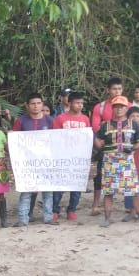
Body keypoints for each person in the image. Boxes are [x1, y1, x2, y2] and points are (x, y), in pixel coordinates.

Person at [95, 97, 139, 227]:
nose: (119, 109)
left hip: (127, 161)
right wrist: (96, 141)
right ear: (113, 108)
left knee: (134, 191)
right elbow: (98, 141)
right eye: (116, 106)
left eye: (122, 106)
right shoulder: (105, 125)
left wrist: (133, 148)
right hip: (110, 161)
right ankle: (107, 218)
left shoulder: (134, 125)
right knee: (108, 191)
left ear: (126, 108)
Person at [13, 92, 56, 226]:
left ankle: (48, 218)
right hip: (27, 163)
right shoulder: (21, 121)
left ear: (42, 104)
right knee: (26, 191)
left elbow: (58, 141)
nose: (36, 106)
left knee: (48, 191)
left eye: (38, 103)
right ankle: (23, 219)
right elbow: (15, 141)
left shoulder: (50, 121)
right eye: (33, 103)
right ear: (27, 106)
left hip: (47, 161)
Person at [51, 91, 90, 221]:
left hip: (79, 157)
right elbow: (54, 138)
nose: (80, 105)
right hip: (63, 157)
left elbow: (87, 139)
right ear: (70, 103)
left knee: (77, 185)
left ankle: (72, 209)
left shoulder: (85, 119)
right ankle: (55, 210)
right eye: (77, 103)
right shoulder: (61, 118)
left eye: (81, 103)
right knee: (59, 185)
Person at [91, 77, 125, 216]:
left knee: (128, 175)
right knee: (100, 175)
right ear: (108, 90)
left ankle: (130, 206)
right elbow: (95, 127)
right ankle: (95, 204)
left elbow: (132, 124)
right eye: (114, 89)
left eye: (119, 89)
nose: (117, 91)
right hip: (105, 146)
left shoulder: (127, 105)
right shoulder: (100, 107)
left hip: (123, 146)